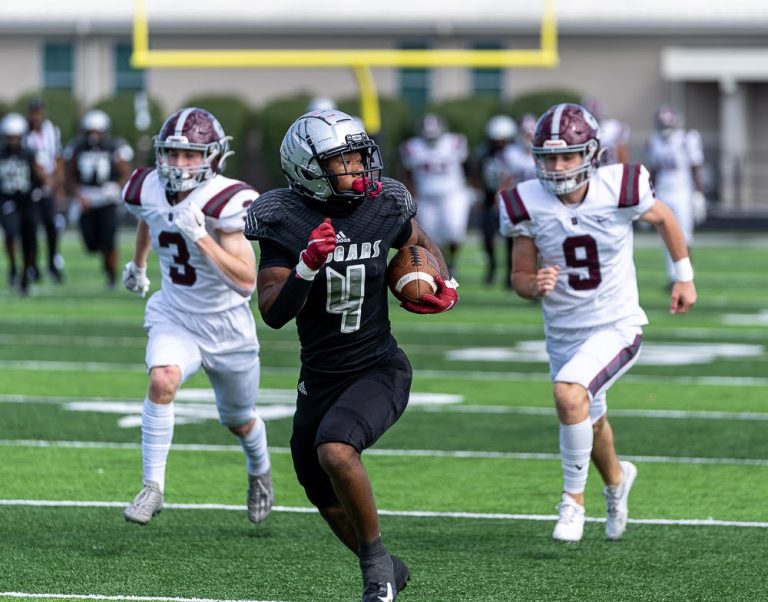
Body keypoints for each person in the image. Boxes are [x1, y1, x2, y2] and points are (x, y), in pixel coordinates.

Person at [244, 109, 458, 601]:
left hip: (378, 367)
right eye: (344, 160)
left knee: (336, 449)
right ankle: (386, 565)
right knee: (316, 483)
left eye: (360, 156)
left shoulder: (385, 205)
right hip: (319, 376)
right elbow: (273, 312)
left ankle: (376, 574)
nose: (360, 167)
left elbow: (420, 242)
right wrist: (306, 266)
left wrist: (444, 283)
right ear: (308, 169)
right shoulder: (282, 217)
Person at [500, 102, 697, 543]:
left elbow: (665, 217)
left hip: (616, 323)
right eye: (549, 157)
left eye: (567, 155)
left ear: (591, 153)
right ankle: (616, 481)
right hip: (563, 332)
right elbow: (519, 276)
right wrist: (534, 284)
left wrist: (683, 277)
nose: (558, 166)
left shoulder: (619, 186)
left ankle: (573, 501)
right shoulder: (525, 201)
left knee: (569, 395)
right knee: (588, 418)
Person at [121, 107, 273, 527]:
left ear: (214, 157)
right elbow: (149, 217)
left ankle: (259, 468)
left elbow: (245, 282)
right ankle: (152, 486)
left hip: (227, 325)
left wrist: (201, 236)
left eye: (190, 155)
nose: (179, 164)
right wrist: (139, 264)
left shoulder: (226, 200)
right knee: (161, 379)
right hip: (176, 314)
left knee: (239, 420)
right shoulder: (147, 187)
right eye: (172, 153)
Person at [63, 109, 134, 289]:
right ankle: (105, 259)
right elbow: (70, 175)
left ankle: (111, 276)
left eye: (97, 132)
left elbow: (126, 173)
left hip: (107, 199)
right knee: (91, 244)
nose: (93, 136)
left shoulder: (115, 147)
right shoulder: (77, 147)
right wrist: (78, 195)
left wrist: (116, 186)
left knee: (109, 240)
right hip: (86, 198)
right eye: (90, 132)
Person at [399, 113, 471, 275]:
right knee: (430, 237)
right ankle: (442, 264)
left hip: (452, 194)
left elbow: (467, 165)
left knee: (455, 231)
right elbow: (407, 171)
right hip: (426, 197)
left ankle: (452, 260)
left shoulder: (454, 142)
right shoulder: (413, 147)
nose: (431, 140)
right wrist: (410, 192)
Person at [646, 105, 706, 288]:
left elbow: (695, 168)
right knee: (666, 236)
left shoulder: (687, 139)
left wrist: (698, 193)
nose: (665, 129)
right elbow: (654, 172)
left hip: (682, 193)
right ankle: (673, 277)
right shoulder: (654, 141)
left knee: (685, 236)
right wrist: (647, 195)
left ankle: (688, 277)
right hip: (662, 193)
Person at [0, 112, 45, 294]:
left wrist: (42, 184)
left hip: (27, 200)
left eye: (16, 137)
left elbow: (40, 177)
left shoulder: (29, 153)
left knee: (29, 239)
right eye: (9, 137)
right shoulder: (1, 153)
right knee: (11, 233)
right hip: (7, 199)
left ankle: (25, 274)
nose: (13, 141)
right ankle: (13, 266)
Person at [471, 114, 517, 286]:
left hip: (511, 199)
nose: (499, 143)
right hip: (489, 198)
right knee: (488, 235)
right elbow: (476, 173)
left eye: (503, 140)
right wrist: (479, 193)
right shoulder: (484, 153)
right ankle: (492, 268)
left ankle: (510, 273)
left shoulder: (515, 153)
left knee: (511, 238)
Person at [23, 98, 65, 283]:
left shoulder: (51, 130)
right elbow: (28, 161)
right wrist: (44, 178)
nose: (36, 116)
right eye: (33, 112)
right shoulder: (24, 134)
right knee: (31, 228)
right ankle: (32, 265)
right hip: (31, 186)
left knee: (51, 226)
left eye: (38, 112)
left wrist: (57, 183)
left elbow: (57, 157)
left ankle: (52, 262)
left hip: (49, 185)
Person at [583, 96, 631, 165]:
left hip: (612, 168)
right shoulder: (613, 127)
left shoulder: (613, 127)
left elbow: (622, 153)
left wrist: (624, 168)